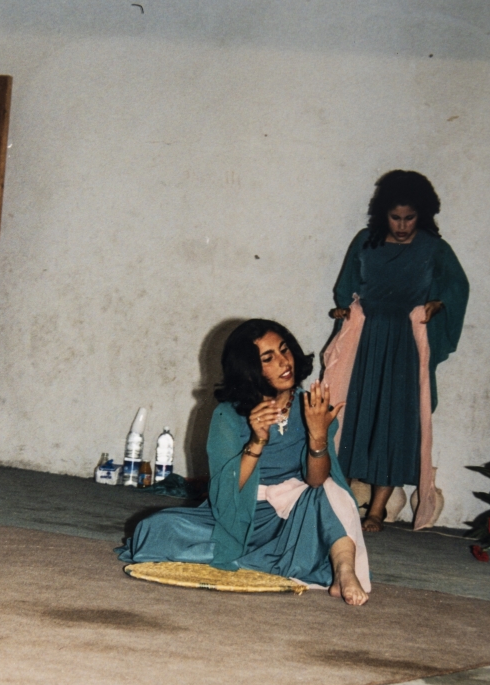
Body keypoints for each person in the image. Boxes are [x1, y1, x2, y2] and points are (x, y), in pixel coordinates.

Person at [117, 320, 370, 605]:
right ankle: (266, 557)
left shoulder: (311, 407)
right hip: (238, 513)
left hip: (295, 515)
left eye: (284, 350)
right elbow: (226, 493)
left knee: (326, 493)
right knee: (154, 529)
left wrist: (318, 436)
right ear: (250, 371)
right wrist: (256, 442)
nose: (284, 362)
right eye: (268, 358)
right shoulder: (228, 415)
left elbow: (316, 480)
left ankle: (344, 571)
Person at [324, 170, 469, 533]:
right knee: (354, 415)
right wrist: (345, 310)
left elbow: (457, 288)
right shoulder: (365, 242)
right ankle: (341, 500)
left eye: (410, 218)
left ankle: (376, 512)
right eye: (395, 217)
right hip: (366, 342)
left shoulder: (434, 248)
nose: (402, 226)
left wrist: (438, 303)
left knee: (395, 424)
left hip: (406, 345)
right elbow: (345, 288)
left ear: (423, 215)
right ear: (381, 215)